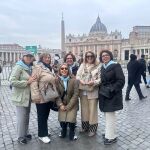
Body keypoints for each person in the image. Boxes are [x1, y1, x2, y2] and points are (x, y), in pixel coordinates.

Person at [99, 50, 125, 145]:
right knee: (108, 115)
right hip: (104, 94)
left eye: (106, 55)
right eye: (102, 56)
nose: (104, 57)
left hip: (112, 94)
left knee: (110, 115)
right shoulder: (102, 67)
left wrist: (112, 89)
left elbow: (121, 80)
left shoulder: (116, 65)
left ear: (110, 56)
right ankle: (110, 132)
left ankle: (110, 137)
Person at [9, 52, 36, 144]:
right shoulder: (18, 67)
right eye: (27, 56)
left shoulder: (29, 68)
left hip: (27, 96)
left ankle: (25, 133)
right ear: (23, 57)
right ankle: (20, 136)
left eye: (30, 56)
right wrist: (27, 82)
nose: (29, 58)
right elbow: (12, 81)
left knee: (26, 116)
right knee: (21, 117)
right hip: (20, 97)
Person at [30, 53, 57, 143]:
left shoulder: (49, 67)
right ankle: (42, 135)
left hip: (48, 95)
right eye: (46, 57)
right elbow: (34, 82)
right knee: (41, 115)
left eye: (49, 57)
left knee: (45, 115)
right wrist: (35, 96)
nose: (48, 59)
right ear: (41, 58)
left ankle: (44, 130)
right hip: (41, 95)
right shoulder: (37, 67)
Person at [76, 51, 100, 137]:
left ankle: (92, 129)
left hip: (93, 91)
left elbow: (100, 79)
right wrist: (80, 80)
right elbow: (77, 75)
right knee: (84, 110)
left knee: (92, 110)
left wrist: (94, 82)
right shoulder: (82, 65)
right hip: (83, 90)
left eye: (91, 56)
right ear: (85, 57)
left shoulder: (98, 66)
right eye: (87, 56)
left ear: (94, 57)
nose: (89, 58)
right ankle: (85, 127)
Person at [56, 63, 79, 140]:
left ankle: (72, 132)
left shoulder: (74, 80)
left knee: (71, 119)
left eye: (66, 68)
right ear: (59, 70)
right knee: (62, 119)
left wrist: (69, 106)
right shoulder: (57, 80)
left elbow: (76, 94)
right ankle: (63, 130)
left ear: (68, 70)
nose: (64, 70)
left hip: (72, 103)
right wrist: (60, 104)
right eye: (62, 68)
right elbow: (57, 95)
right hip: (62, 103)